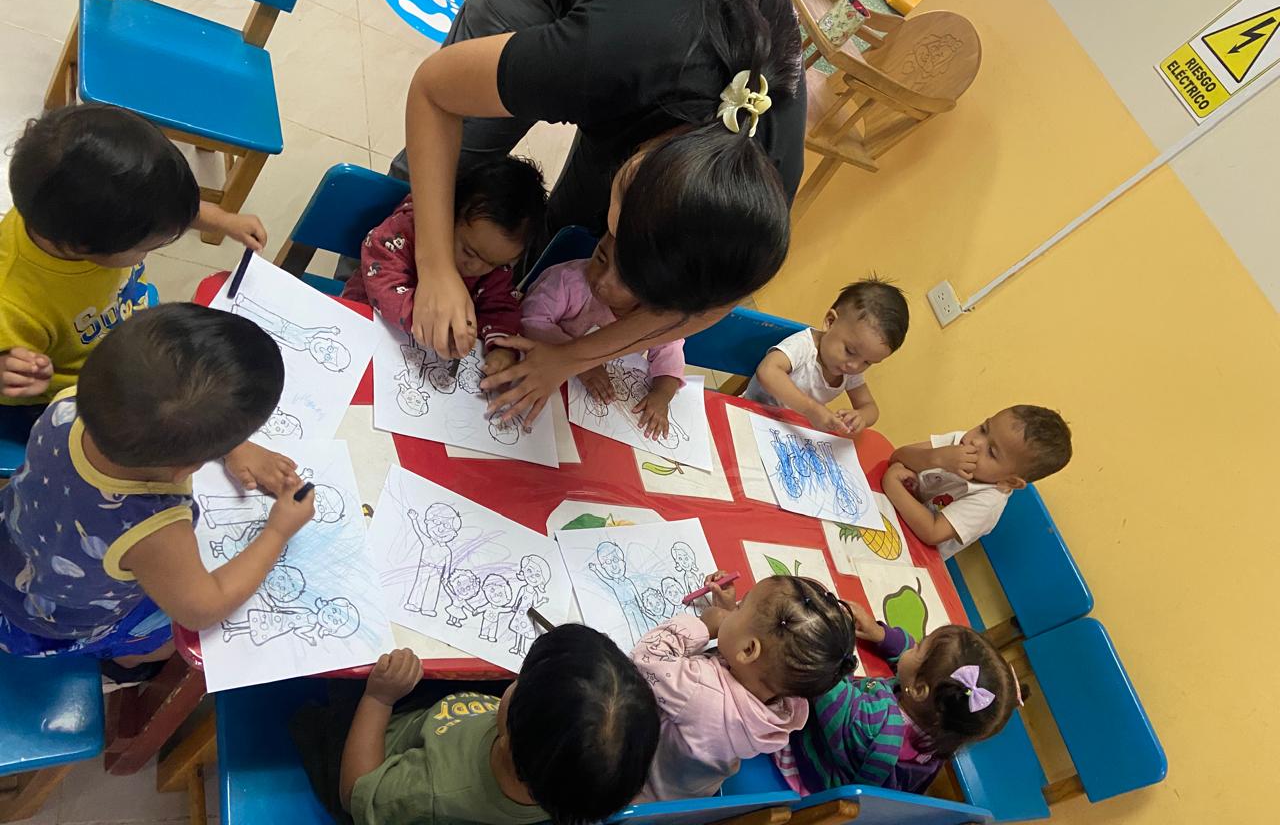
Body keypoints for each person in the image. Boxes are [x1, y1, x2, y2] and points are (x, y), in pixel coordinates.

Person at [395, 0, 802, 424]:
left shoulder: (762, 189)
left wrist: (569, 357)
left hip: (664, 46)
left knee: (569, 234)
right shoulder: (605, 60)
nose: (607, 289)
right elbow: (434, 93)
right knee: (454, 183)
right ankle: (371, 303)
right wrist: (435, 267)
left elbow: (706, 305)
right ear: (632, 164)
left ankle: (505, 303)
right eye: (616, 248)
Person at [0, 304, 314, 663]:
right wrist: (277, 531)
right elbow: (202, 609)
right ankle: (126, 664)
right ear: (186, 468)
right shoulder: (154, 528)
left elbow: (160, 414)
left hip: (13, 549)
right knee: (168, 642)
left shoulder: (69, 404)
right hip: (49, 622)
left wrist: (232, 447)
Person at [0, 104, 267, 406]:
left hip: (128, 322)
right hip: (80, 388)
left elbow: (161, 210)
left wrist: (223, 220)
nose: (147, 254)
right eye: (147, 247)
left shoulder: (71, 214)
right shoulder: (12, 301)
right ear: (85, 247)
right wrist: (9, 371)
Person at [293, 625, 660, 825]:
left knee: (346, 669)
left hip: (373, 760)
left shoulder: (428, 794)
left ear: (513, 730)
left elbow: (356, 794)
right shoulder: (574, 786)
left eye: (522, 681)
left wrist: (378, 699)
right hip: (448, 725)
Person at [634, 573, 856, 801]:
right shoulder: (782, 706)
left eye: (740, 607)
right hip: (687, 793)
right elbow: (751, 662)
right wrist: (732, 616)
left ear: (749, 650)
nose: (734, 609)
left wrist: (702, 626)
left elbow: (645, 659)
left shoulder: (700, 690)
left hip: (638, 782)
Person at [777, 603, 1023, 795]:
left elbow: (826, 682)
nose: (912, 645)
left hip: (804, 765)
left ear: (918, 690)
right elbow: (918, 668)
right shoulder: (941, 727)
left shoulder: (872, 723)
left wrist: (835, 640)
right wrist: (880, 635)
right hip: (841, 753)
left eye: (919, 647)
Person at [343, 156, 546, 377]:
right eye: (469, 252)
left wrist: (502, 348)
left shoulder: (494, 266)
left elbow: (500, 306)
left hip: (414, 358)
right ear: (447, 215)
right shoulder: (405, 230)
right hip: (362, 319)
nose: (477, 267)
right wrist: (435, 323)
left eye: (495, 263)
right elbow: (384, 284)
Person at [521, 234, 684, 440]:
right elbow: (531, 319)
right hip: (548, 376)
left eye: (623, 279)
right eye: (600, 258)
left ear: (650, 291)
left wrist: (662, 395)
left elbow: (670, 354)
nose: (601, 280)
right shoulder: (566, 280)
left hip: (591, 406)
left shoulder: (654, 314)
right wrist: (581, 362)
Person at [884, 406, 1072, 559]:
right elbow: (898, 456)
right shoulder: (961, 443)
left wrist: (892, 484)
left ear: (1010, 481)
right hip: (890, 513)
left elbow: (932, 532)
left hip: (911, 555)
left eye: (992, 452)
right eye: (983, 429)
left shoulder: (989, 502)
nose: (976, 442)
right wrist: (936, 458)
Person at [745, 280, 908, 435]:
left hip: (789, 429)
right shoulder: (804, 346)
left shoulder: (849, 370)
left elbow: (870, 408)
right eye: (849, 351)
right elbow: (768, 371)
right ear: (830, 322)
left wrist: (861, 417)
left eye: (867, 362)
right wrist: (810, 409)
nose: (854, 366)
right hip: (750, 413)